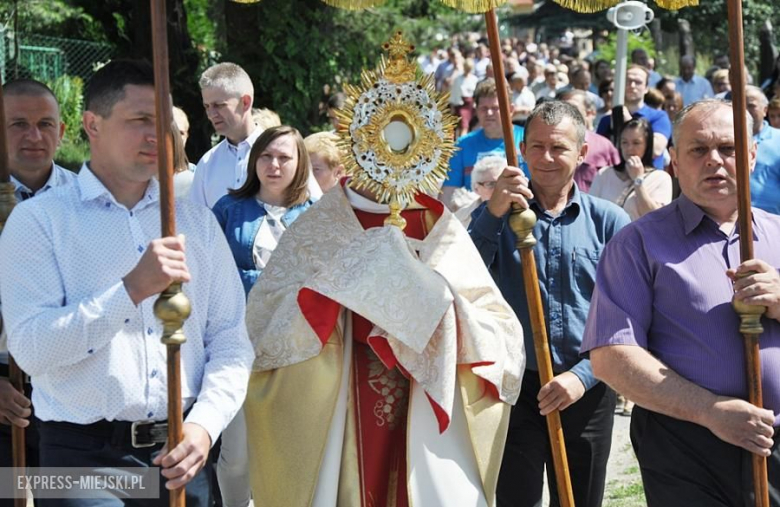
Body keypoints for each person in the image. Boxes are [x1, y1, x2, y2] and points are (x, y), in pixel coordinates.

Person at [0, 59, 254, 507]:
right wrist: (131, 290)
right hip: (84, 458)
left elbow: (231, 339)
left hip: (181, 448)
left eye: (163, 121)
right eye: (139, 120)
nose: (157, 135)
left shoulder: (196, 222)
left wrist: (206, 424)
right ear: (92, 125)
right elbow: (33, 349)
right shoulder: (40, 221)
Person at [242, 153, 526, 506]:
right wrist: (333, 290)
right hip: (344, 390)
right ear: (357, 149)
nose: (389, 163)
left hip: (422, 393)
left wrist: (436, 303)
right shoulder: (321, 224)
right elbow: (266, 318)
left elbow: (495, 323)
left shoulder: (436, 224)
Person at [582, 98, 780, 507]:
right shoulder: (637, 244)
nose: (714, 160)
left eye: (728, 148)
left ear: (751, 155)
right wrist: (711, 411)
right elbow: (612, 356)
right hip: (686, 446)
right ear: (674, 160)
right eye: (698, 149)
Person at [469, 101, 630, 507]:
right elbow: (463, 277)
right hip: (516, 387)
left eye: (559, 147)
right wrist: (492, 213)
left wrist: (582, 376)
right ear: (522, 151)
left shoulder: (609, 222)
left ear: (582, 152)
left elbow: (626, 316)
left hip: (587, 387)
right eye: (537, 147)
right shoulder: (497, 215)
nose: (546, 158)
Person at [210, 126, 315, 507]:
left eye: (284, 157)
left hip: (296, 346)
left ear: (299, 163)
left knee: (289, 445)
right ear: (254, 161)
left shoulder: (315, 215)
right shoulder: (228, 209)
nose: (274, 165)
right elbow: (207, 274)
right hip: (237, 342)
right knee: (237, 452)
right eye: (266, 156)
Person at [0, 78, 77, 507]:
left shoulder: (88, 201)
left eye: (45, 123)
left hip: (70, 397)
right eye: (18, 124)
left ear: (62, 131)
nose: (34, 136)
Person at [442, 78, 527, 208]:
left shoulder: (527, 140)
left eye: (495, 108)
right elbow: (448, 195)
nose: (489, 113)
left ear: (510, 109)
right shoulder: (463, 146)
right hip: (475, 215)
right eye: (484, 108)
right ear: (476, 110)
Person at [189, 62, 261, 209]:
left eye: (219, 105)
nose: (211, 114)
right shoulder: (207, 164)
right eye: (207, 106)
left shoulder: (282, 154)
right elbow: (196, 219)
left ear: (245, 102)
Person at [590, 118, 672, 221]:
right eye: (624, 142)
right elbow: (590, 211)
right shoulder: (605, 174)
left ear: (647, 145)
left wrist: (638, 181)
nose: (629, 148)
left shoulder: (660, 178)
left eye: (636, 143)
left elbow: (656, 218)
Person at [597, 65, 672, 170]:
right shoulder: (607, 120)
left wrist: (629, 122)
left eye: (638, 82)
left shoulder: (659, 117)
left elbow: (656, 150)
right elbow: (598, 154)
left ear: (646, 88)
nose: (632, 86)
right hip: (616, 177)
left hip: (649, 176)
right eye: (628, 81)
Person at [558, 89, 620, 193]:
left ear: (589, 113)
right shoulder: (548, 142)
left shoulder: (604, 146)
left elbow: (617, 181)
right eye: (562, 108)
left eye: (573, 108)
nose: (566, 113)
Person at [746, 85, 780, 215]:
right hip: (732, 222)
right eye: (738, 104)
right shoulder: (723, 141)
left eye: (751, 105)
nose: (744, 110)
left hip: (773, 220)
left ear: (765, 110)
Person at [454, 154, 504, 227]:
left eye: (502, 183)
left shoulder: (519, 210)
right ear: (476, 189)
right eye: (491, 184)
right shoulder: (460, 220)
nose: (498, 188)